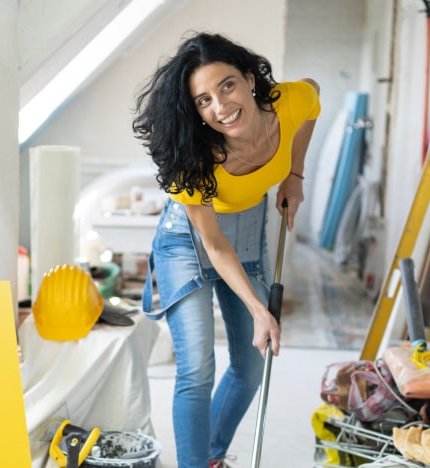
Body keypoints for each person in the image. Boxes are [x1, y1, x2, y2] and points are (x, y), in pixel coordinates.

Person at [132, 31, 320, 468]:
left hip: (249, 229)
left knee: (251, 367)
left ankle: (210, 457)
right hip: (190, 242)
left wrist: (295, 172)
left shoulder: (289, 103)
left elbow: (315, 98)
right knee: (197, 369)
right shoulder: (190, 158)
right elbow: (213, 244)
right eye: (203, 100)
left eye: (227, 86)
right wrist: (259, 309)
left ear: (250, 79)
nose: (220, 107)